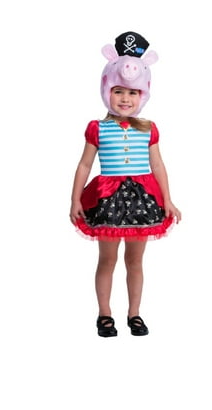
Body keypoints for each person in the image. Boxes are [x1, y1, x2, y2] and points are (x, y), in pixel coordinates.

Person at [69, 31, 181, 337]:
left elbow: (158, 165)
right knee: (107, 259)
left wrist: (168, 199)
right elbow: (84, 164)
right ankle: (105, 314)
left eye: (132, 93)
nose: (125, 99)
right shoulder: (98, 128)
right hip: (108, 199)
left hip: (143, 200)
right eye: (119, 91)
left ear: (142, 95)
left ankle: (135, 314)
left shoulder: (149, 129)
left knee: (135, 260)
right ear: (107, 90)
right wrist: (75, 199)